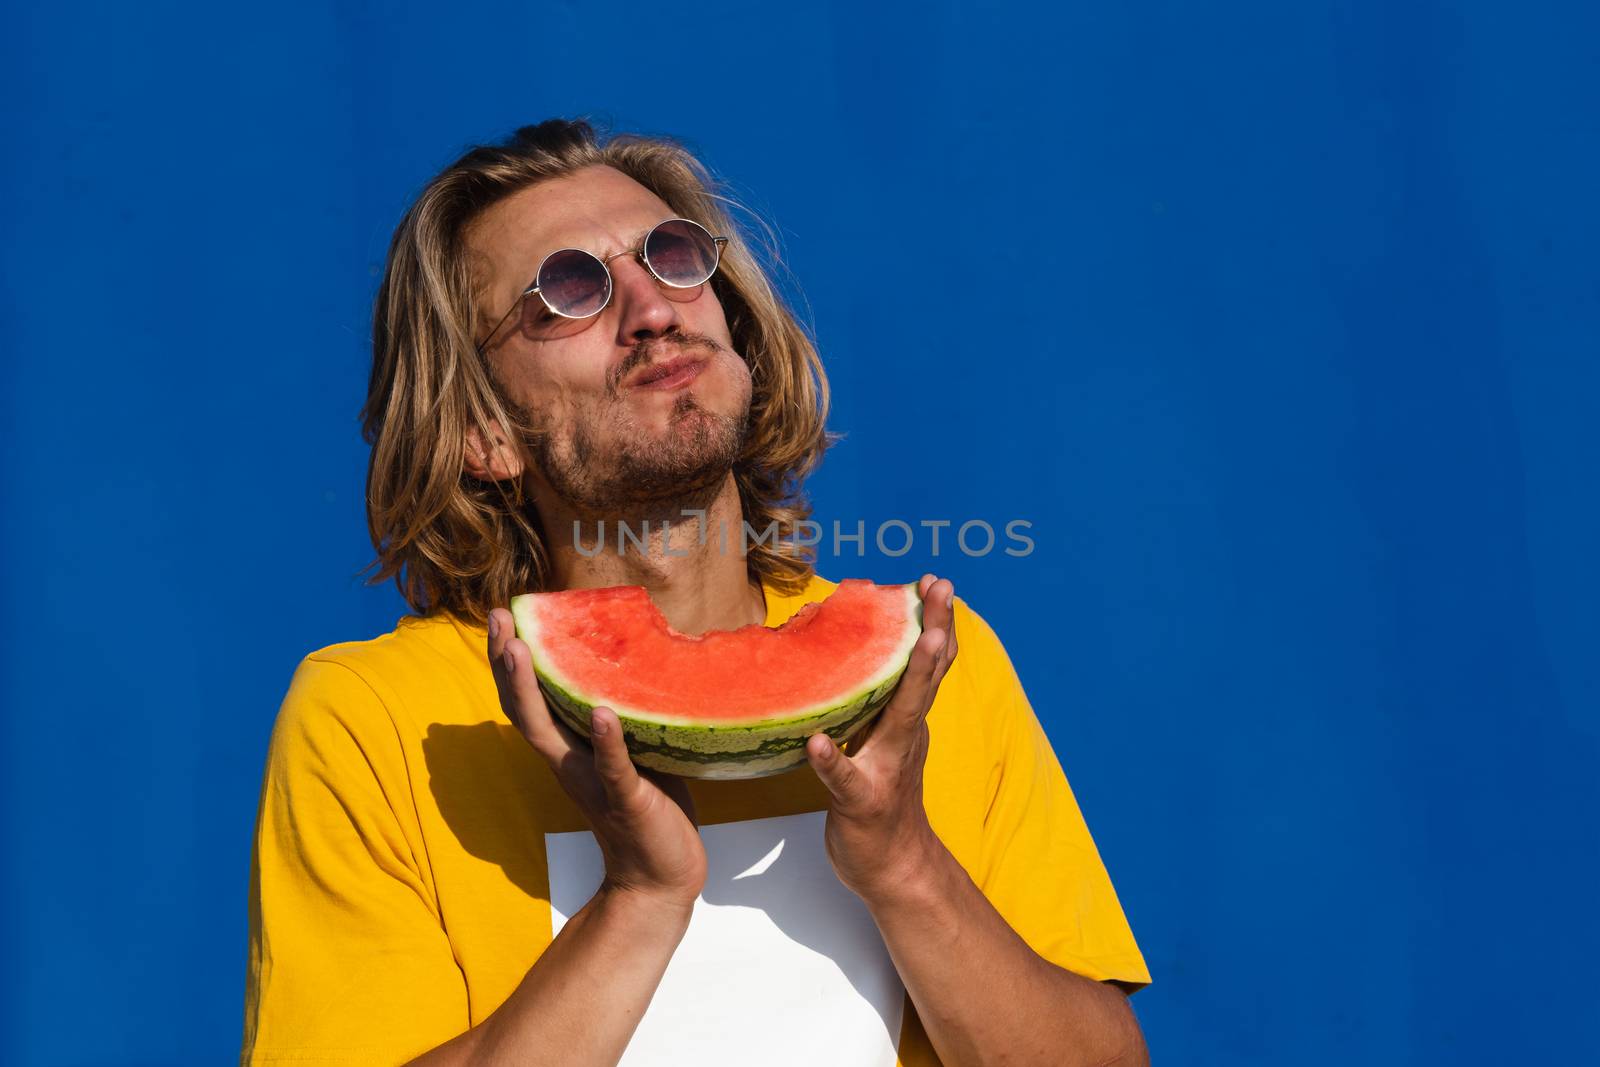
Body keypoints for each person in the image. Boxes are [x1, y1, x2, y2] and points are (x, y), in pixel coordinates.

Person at [241, 118, 1152, 1066]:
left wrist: (904, 864)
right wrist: (638, 898)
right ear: (483, 433)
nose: (652, 308)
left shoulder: (931, 674)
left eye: (673, 256)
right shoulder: (384, 723)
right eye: (568, 289)